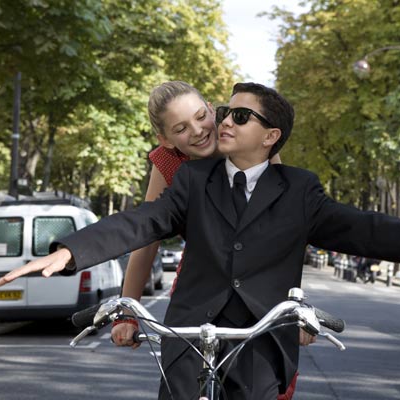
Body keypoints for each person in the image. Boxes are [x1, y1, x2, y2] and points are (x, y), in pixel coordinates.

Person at [0, 82, 400, 399]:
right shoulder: (188, 179)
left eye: (233, 116)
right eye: (224, 113)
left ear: (270, 138)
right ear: (167, 137)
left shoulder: (298, 186)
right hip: (192, 316)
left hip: (263, 331)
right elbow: (140, 225)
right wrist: (69, 252)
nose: (217, 123)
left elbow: (357, 229)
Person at [111, 80, 305, 398]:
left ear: (213, 110)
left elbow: (282, 236)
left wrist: (293, 307)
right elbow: (146, 240)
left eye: (201, 116)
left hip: (259, 284)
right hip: (199, 287)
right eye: (181, 128)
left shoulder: (254, 143)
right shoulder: (169, 163)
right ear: (165, 139)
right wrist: (127, 313)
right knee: (179, 387)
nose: (199, 130)